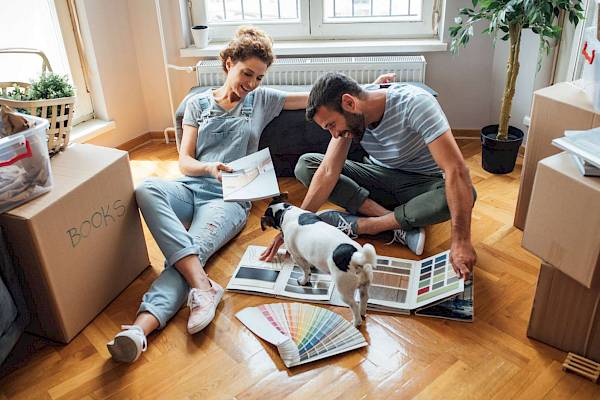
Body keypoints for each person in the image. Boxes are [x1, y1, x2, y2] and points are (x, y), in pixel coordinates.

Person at [105, 26, 309, 363]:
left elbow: (315, 96)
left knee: (190, 253)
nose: (252, 83)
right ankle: (204, 287)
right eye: (247, 73)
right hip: (191, 188)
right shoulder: (198, 105)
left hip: (230, 199)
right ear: (229, 63)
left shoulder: (263, 100)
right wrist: (209, 168)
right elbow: (184, 162)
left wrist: (373, 88)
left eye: (259, 77)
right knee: (146, 188)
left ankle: (139, 330)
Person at [261, 72, 476, 280]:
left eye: (332, 125)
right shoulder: (352, 117)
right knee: (306, 165)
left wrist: (461, 240)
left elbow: (456, 170)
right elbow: (328, 171)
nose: (334, 134)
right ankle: (397, 223)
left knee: (461, 196)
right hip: (377, 178)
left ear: (349, 103)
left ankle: (367, 225)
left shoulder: (416, 104)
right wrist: (295, 227)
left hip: (421, 184)